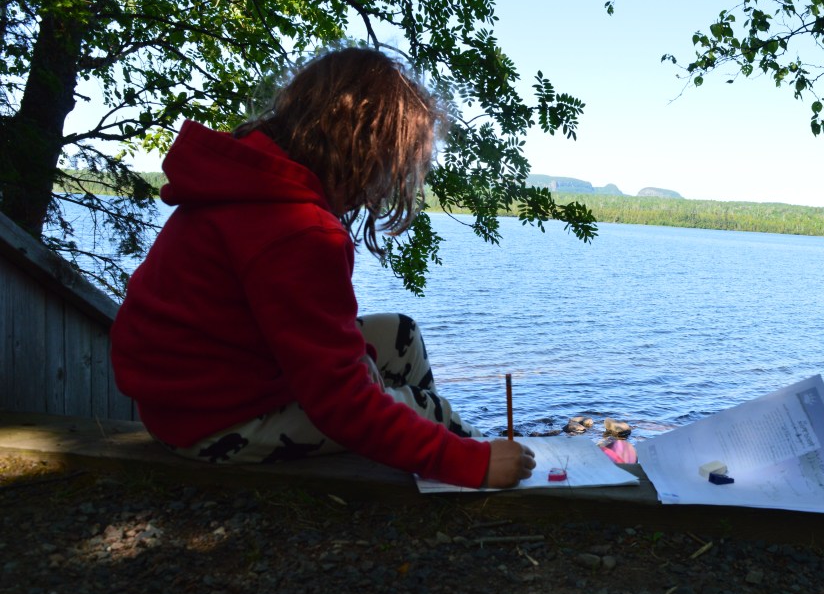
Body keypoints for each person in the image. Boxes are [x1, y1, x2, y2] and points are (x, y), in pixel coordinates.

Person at [110, 47, 536, 488]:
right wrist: (470, 460)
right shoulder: (298, 230)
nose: (387, 183)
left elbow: (306, 338)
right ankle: (479, 475)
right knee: (427, 411)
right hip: (214, 423)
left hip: (205, 390)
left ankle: (428, 456)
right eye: (391, 165)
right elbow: (341, 404)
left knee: (400, 336)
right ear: (362, 148)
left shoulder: (253, 183)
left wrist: (361, 371)